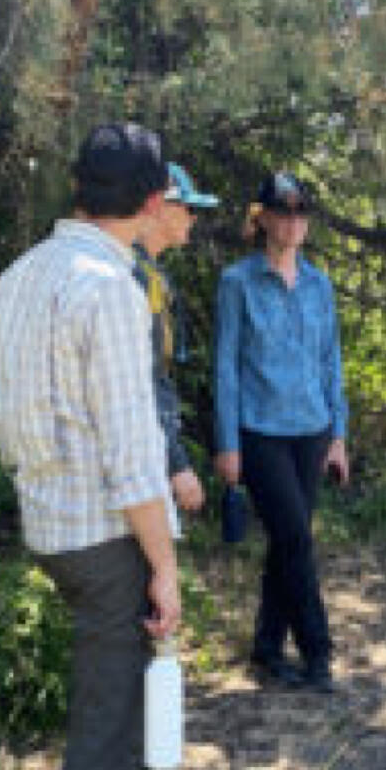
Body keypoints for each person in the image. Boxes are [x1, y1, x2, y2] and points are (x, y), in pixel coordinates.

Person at [0, 122, 182, 770]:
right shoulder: (109, 286)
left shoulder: (20, 275)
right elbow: (135, 460)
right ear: (146, 201)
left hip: (51, 527)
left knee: (117, 709)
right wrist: (165, 569)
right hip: (107, 537)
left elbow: (1, 418)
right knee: (104, 723)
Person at [214, 172, 349, 692]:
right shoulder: (237, 282)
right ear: (263, 217)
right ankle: (318, 653)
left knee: (284, 545)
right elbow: (225, 366)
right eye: (283, 210)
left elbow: (329, 360)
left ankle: (267, 648)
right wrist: (227, 443)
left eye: (301, 212)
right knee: (295, 538)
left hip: (312, 429)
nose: (293, 220)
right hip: (260, 431)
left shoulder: (319, 285)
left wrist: (338, 434)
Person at [135, 161, 220, 514]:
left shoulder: (150, 272)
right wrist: (177, 463)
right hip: (141, 455)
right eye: (188, 208)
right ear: (159, 208)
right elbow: (141, 380)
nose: (194, 218)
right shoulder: (132, 277)